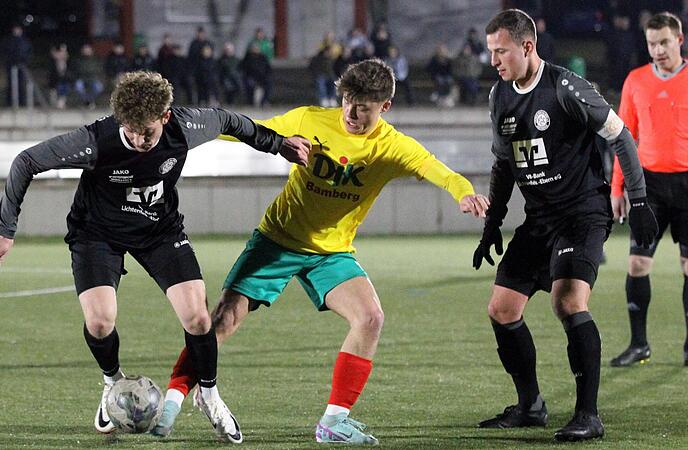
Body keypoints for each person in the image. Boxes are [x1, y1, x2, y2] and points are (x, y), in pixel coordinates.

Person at [152, 58, 490, 444]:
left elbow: (439, 170)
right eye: (346, 100)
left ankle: (333, 421)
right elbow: (246, 131)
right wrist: (181, 124)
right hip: (277, 240)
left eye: (363, 106)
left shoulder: (393, 147)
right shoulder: (309, 119)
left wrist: (464, 193)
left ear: (385, 107)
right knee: (223, 319)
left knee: (370, 317)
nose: (350, 112)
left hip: (331, 253)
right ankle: (172, 401)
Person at [0, 71, 310, 443]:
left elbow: (229, 121)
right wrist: (5, 228)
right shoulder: (95, 141)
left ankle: (209, 395)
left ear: (166, 117)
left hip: (159, 231)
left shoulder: (185, 127)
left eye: (148, 132)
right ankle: (112, 385)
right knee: (101, 321)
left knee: (198, 317)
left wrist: (277, 143)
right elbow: (26, 161)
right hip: (96, 235)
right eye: (132, 130)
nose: (139, 140)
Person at [473, 9, 657, 442]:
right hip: (539, 218)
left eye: (501, 51)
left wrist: (640, 198)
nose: (494, 61)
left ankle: (588, 415)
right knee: (502, 308)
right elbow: (503, 164)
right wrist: (492, 224)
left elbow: (620, 135)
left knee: (568, 301)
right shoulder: (499, 96)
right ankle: (531, 405)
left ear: (527, 47)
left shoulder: (566, 86)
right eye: (491, 52)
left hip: (582, 213)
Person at [609, 12, 688, 368]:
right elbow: (623, 138)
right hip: (649, 186)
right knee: (638, 263)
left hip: (687, 185)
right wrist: (617, 187)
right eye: (651, 44)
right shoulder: (635, 81)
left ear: (679, 40)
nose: (656, 50)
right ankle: (639, 344)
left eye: (663, 42)